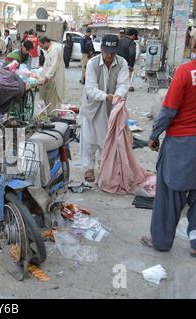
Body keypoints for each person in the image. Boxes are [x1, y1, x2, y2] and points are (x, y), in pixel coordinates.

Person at [141, 46, 196, 256]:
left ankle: (161, 240)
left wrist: (154, 136)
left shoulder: (185, 72)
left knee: (169, 194)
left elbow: (169, 110)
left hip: (182, 143)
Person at [80, 34, 129, 183]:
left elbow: (123, 84)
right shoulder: (92, 63)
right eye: (106, 52)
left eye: (112, 52)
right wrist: (106, 96)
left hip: (111, 106)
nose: (109, 55)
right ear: (101, 49)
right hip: (92, 105)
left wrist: (118, 96)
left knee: (106, 139)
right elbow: (90, 88)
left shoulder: (122, 63)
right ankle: (89, 168)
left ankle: (104, 167)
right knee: (89, 138)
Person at [38, 36, 65, 114]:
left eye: (41, 45)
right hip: (49, 80)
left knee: (52, 103)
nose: (41, 47)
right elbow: (47, 65)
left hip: (54, 81)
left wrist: (46, 77)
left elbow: (54, 65)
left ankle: (53, 119)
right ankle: (51, 117)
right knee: (48, 100)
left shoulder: (54, 50)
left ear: (46, 42)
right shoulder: (50, 49)